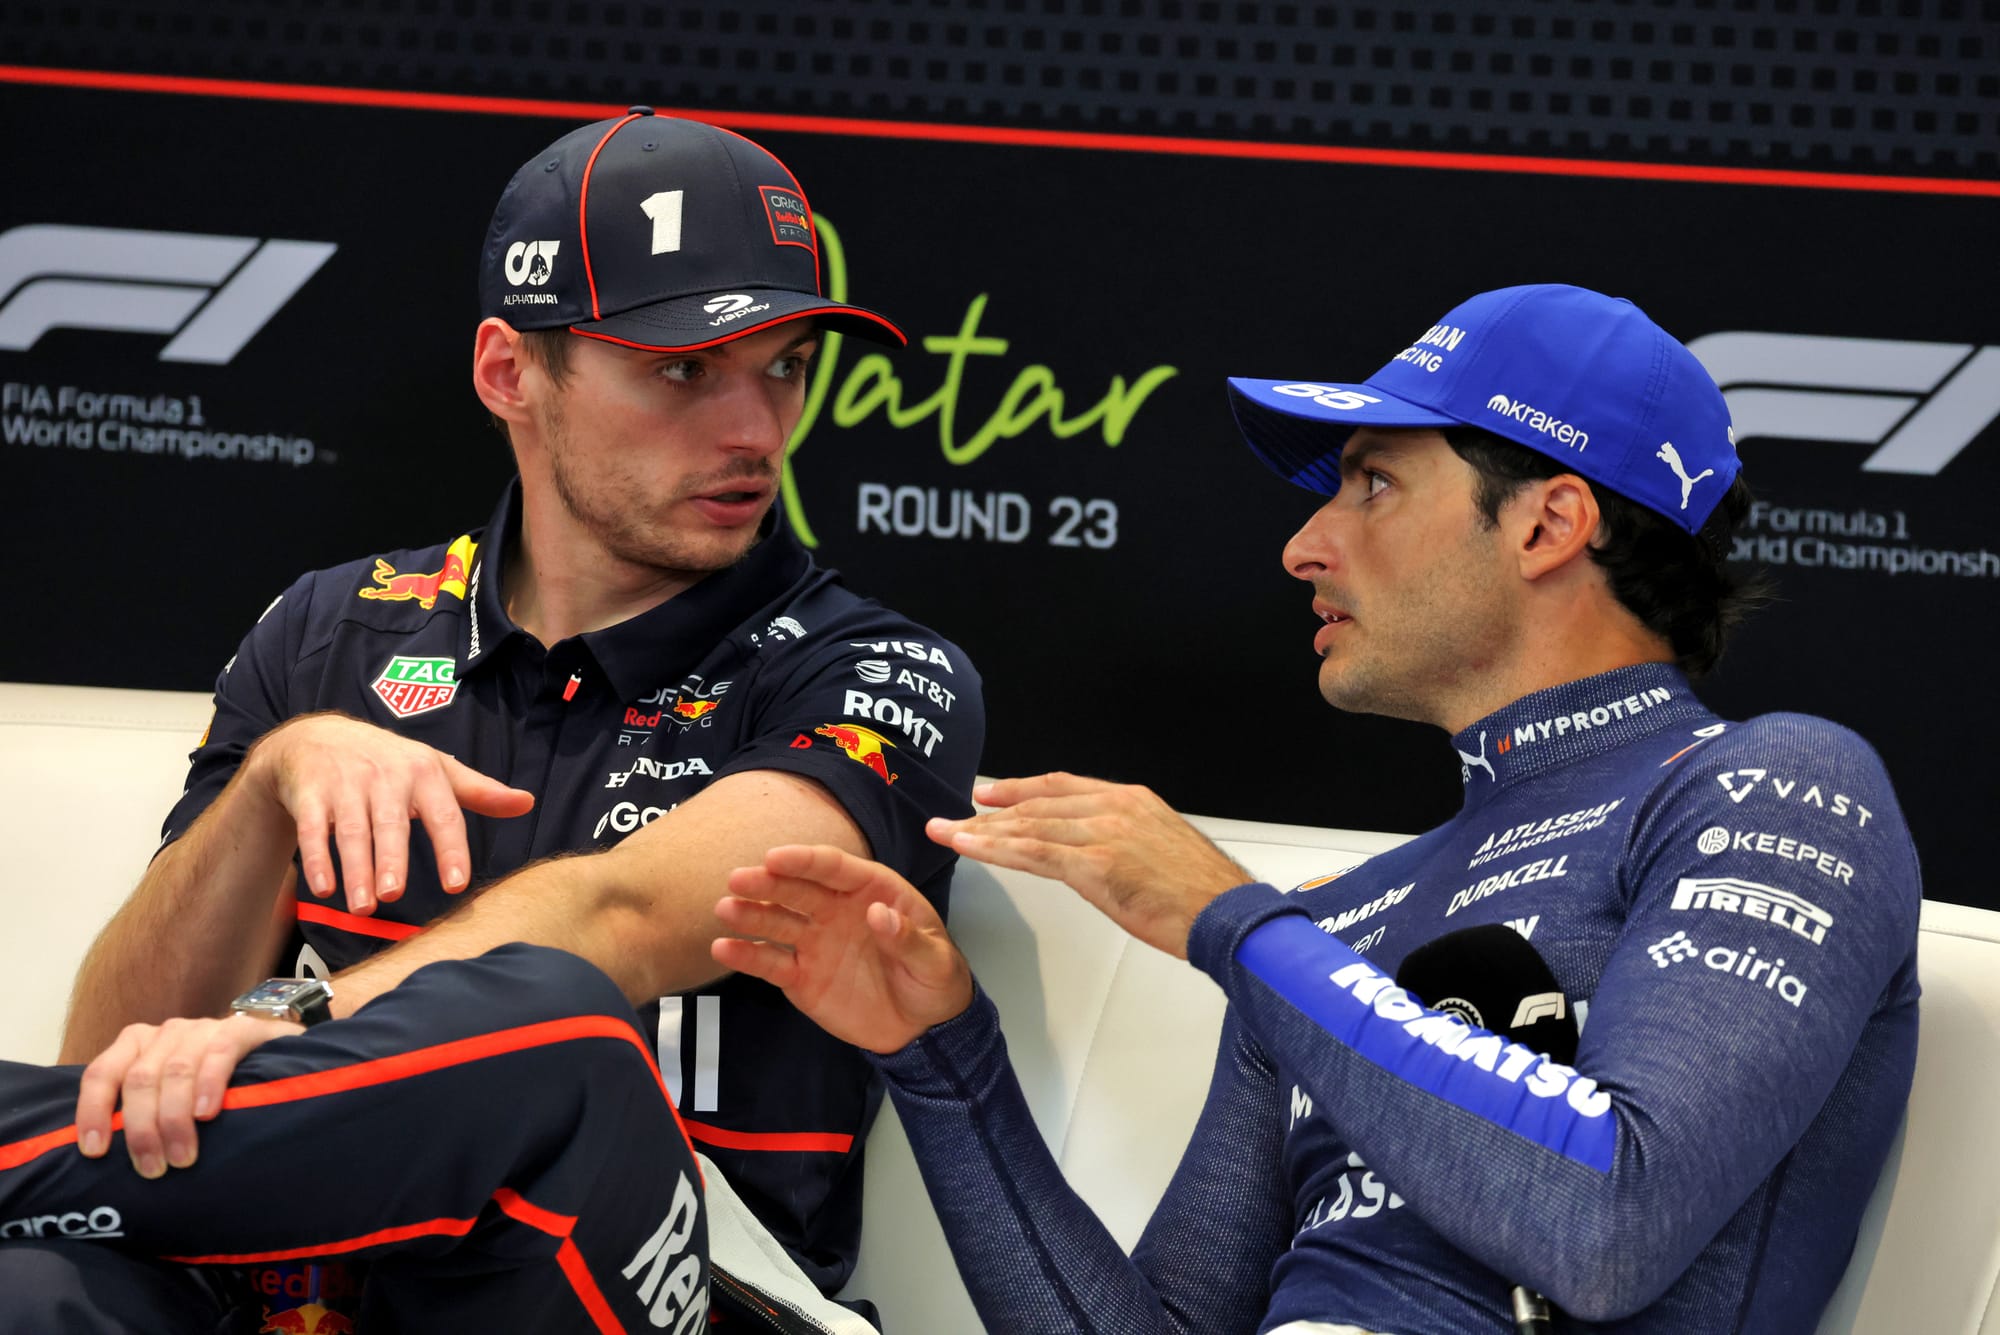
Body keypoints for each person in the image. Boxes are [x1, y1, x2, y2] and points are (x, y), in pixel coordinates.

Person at [714, 284, 1922, 1332]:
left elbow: (1607, 1227)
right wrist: (938, 1053)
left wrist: (1231, 926)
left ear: (1549, 522)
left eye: (1372, 485)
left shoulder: (1774, 785)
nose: (1302, 546)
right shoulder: (1331, 928)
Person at [2, 108, 981, 1327]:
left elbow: (614, 920)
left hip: (681, 1290)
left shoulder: (872, 669)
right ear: (510, 373)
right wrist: (270, 786)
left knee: (563, 1025)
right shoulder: (329, 631)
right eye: (683, 371)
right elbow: (116, 1057)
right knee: (36, 1282)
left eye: (782, 368)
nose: (755, 431)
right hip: (292, 1287)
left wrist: (284, 1034)